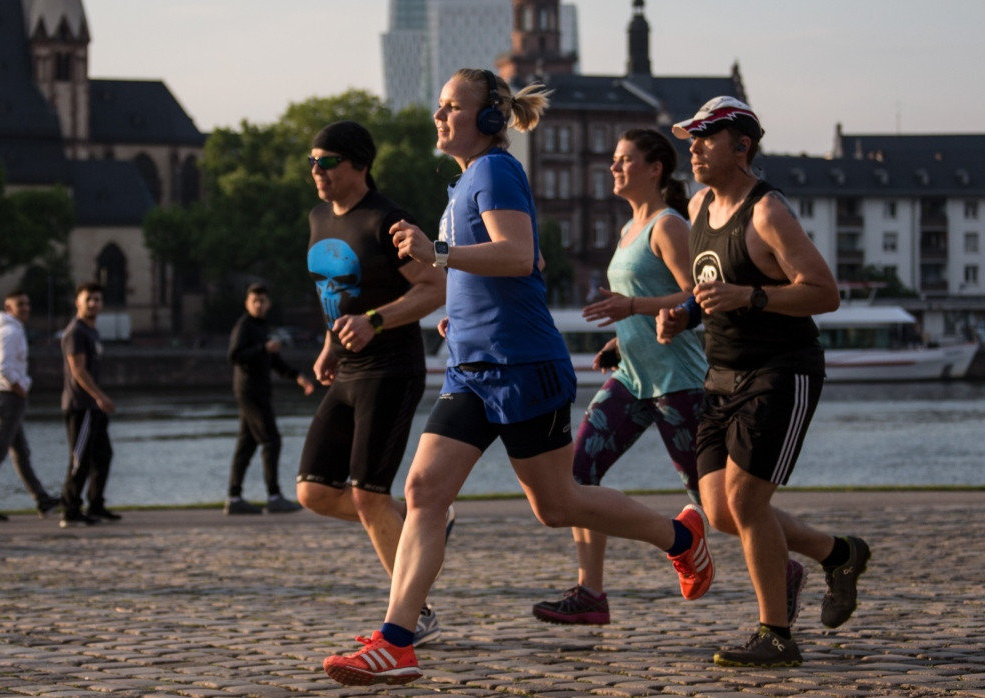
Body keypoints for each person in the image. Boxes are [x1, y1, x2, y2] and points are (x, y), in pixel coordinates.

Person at [322, 69, 715, 687]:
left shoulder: (497, 171)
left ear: (485, 119)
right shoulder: (463, 185)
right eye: (440, 106)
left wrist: (438, 254)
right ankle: (397, 640)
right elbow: (488, 271)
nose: (439, 116)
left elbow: (517, 252)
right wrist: (458, 313)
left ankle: (679, 535)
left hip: (523, 366)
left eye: (452, 107)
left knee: (557, 506)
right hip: (470, 370)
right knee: (424, 490)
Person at [658, 96, 870, 667]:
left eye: (706, 137)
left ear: (742, 146)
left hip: (782, 370)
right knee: (722, 512)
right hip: (720, 375)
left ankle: (775, 634)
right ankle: (838, 553)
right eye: (691, 138)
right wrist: (684, 313)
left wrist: (750, 297)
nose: (694, 148)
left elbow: (824, 292)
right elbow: (710, 288)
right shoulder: (699, 205)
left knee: (747, 500)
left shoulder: (767, 211)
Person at [532, 129, 709, 626]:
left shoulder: (668, 225)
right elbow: (647, 302)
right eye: (613, 160)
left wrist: (631, 307)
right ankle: (591, 594)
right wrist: (622, 337)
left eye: (624, 160)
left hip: (680, 381)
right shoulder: (629, 228)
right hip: (633, 378)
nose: (613, 168)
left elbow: (697, 296)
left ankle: (781, 566)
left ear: (654, 169)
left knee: (715, 500)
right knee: (575, 476)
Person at [296, 120, 448, 646]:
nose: (316, 171)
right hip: (349, 366)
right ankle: (415, 525)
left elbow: (435, 288)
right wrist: (328, 345)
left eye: (327, 161)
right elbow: (333, 294)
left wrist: (374, 322)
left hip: (390, 368)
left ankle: (415, 615)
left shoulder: (388, 220)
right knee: (313, 490)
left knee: (366, 495)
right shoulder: (318, 217)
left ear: (358, 164)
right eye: (312, 161)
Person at [0, 290, 60, 522]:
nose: (25, 308)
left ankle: (42, 499)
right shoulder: (9, 332)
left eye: (27, 304)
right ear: (8, 308)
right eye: (20, 304)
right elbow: (4, 367)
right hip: (7, 396)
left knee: (21, 452)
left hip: (3, 394)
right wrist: (20, 387)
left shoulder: (6, 330)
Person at [225, 283, 314, 515]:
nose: (259, 304)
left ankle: (234, 499)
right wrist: (263, 349)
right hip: (250, 392)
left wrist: (298, 377)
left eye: (262, 301)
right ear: (247, 303)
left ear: (268, 303)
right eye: (254, 301)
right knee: (271, 441)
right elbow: (234, 355)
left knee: (246, 445)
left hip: (257, 392)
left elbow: (274, 361)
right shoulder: (244, 326)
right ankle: (274, 496)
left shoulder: (261, 327)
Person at [58, 281, 118, 527]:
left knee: (103, 455)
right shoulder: (76, 332)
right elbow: (78, 370)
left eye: (97, 299)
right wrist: (99, 396)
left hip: (94, 407)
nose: (93, 303)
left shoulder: (92, 331)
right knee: (80, 458)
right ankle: (70, 510)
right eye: (88, 299)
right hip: (81, 405)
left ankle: (95, 505)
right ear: (78, 302)